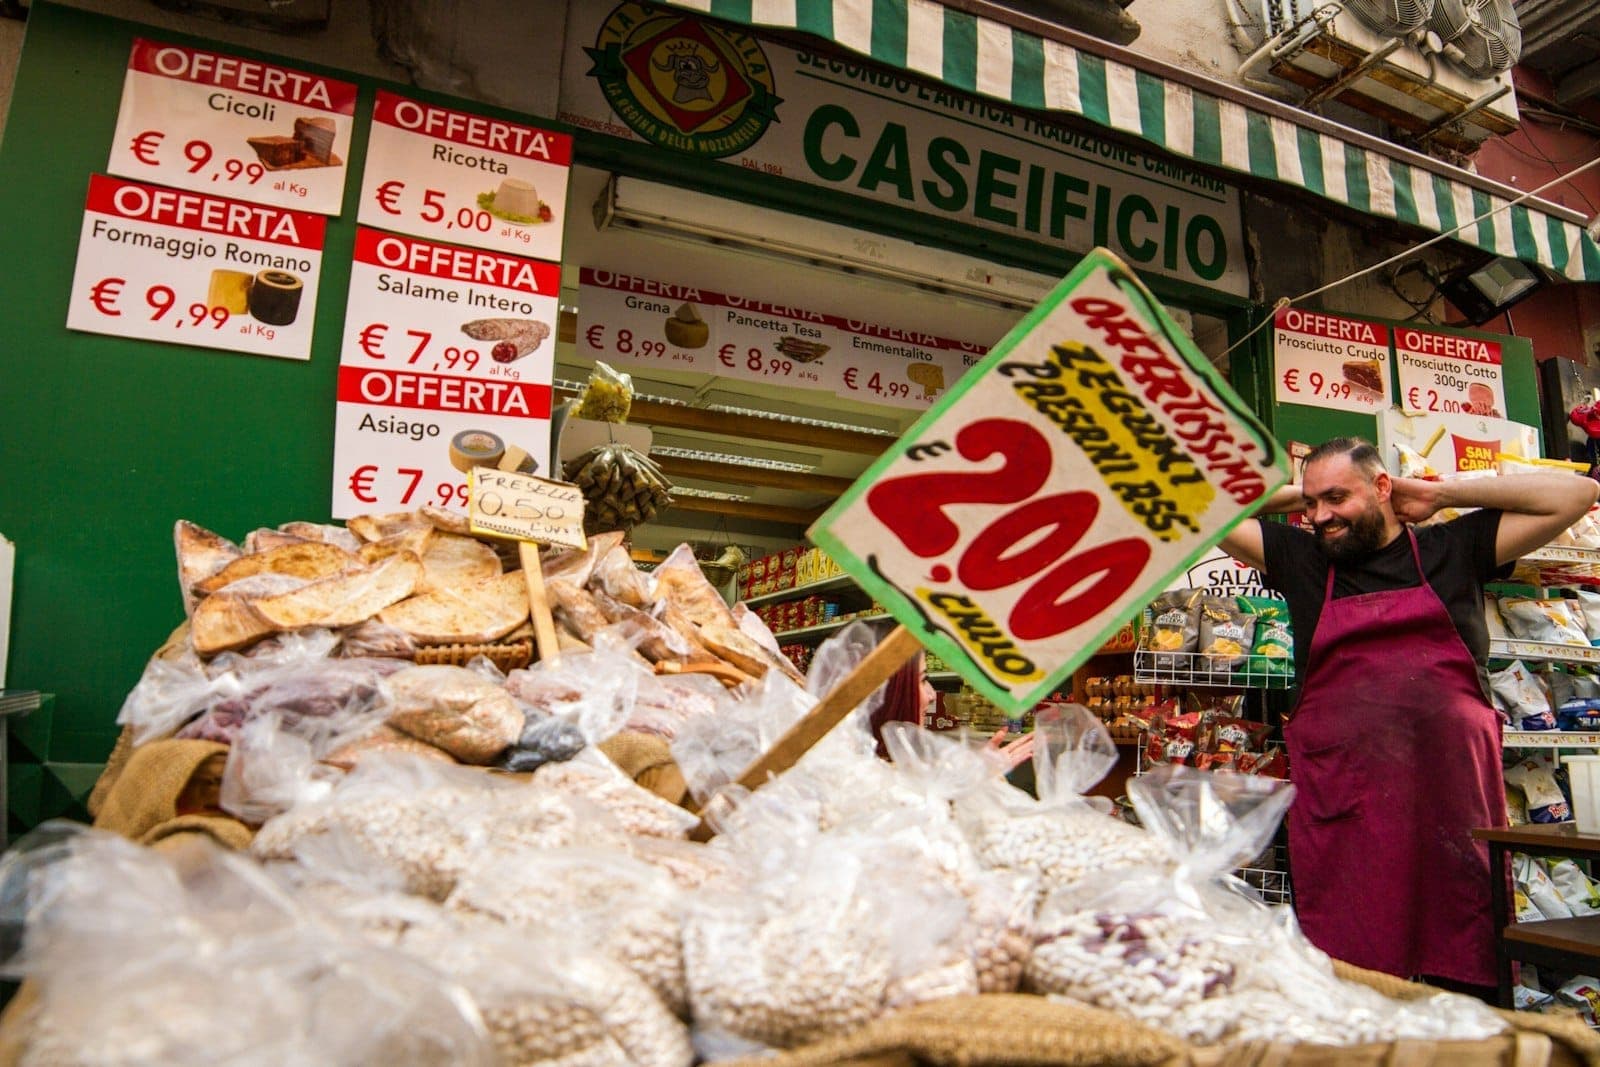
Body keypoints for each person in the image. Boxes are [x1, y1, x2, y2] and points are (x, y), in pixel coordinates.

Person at [1219, 436, 1598, 996]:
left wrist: (1442, 491)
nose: (1320, 517)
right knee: (1352, 982)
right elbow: (1200, 509)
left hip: (1452, 800)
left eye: (1336, 499)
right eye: (1310, 505)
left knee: (1462, 955)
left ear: (1381, 488)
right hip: (1347, 807)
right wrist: (1302, 495)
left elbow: (1576, 493)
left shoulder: (1454, 547)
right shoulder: (1301, 558)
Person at [866, 647, 1035, 770]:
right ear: (890, 694)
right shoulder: (872, 786)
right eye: (922, 680)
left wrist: (978, 773)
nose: (931, 695)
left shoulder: (876, 768)